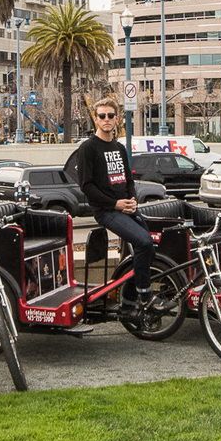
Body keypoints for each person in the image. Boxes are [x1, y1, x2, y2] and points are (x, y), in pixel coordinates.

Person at [71, 96, 156, 307]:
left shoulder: (119, 148)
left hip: (125, 208)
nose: (106, 119)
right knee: (143, 242)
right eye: (102, 116)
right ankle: (145, 295)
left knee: (151, 247)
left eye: (110, 115)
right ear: (96, 120)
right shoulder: (88, 148)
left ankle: (127, 299)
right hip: (106, 211)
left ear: (117, 119)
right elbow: (87, 186)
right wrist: (115, 204)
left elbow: (128, 179)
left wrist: (132, 200)